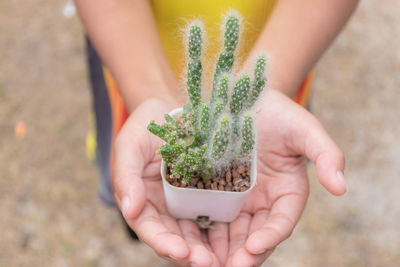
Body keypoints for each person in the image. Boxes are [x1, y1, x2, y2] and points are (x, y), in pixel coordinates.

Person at [75, 0, 358, 266]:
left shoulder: (248, 125)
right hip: (131, 62)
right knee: (140, 184)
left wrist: (273, 85)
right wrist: (148, 93)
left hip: (285, 53)